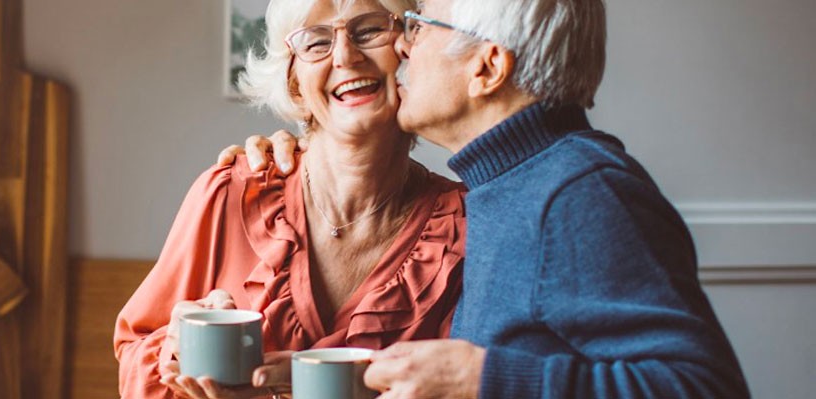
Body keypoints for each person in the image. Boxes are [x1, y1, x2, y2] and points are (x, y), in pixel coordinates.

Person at [224, 0, 751, 397]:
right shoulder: (509, 185)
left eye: (420, 25)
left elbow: (705, 386)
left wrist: (480, 377)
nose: (403, 45)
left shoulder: (580, 192)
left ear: (488, 68)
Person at [113, 0, 468, 398]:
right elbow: (135, 357)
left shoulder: (465, 228)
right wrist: (173, 351)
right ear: (295, 83)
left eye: (369, 30)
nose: (346, 56)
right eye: (316, 42)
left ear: (410, 53)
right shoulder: (229, 193)